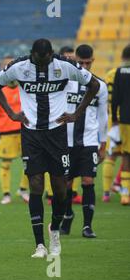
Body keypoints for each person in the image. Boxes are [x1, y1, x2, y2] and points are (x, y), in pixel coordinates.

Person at [0, 38, 100, 258]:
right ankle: (39, 244)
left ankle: (55, 231)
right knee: (36, 185)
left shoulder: (64, 65)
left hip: (57, 134)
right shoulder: (19, 67)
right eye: (38, 61)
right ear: (32, 55)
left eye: (45, 61)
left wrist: (77, 113)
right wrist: (12, 113)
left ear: (51, 55)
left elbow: (94, 85)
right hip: (31, 134)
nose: (42, 65)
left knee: (60, 189)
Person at [60, 44, 108, 238]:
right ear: (75, 61)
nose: (85, 66)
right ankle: (68, 215)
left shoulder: (100, 85)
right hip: (67, 141)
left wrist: (103, 144)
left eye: (88, 63)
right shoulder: (65, 82)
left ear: (93, 61)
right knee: (66, 184)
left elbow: (103, 116)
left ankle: (87, 226)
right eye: (81, 63)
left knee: (88, 181)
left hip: (89, 141)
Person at [0, 56, 29, 204]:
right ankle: (6, 194)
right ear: (1, 68)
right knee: (6, 163)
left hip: (25, 130)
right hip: (6, 130)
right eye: (6, 65)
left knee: (28, 162)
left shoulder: (25, 85)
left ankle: (23, 190)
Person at [103, 45, 130, 203]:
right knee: (127, 156)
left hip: (116, 118)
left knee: (112, 154)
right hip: (126, 118)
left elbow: (112, 98)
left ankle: (107, 192)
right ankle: (125, 192)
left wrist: (112, 117)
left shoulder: (113, 73)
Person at [59, 46, 82, 204]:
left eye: (71, 58)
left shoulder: (79, 82)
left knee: (72, 166)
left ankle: (71, 193)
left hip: (76, 134)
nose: (69, 61)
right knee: (56, 165)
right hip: (58, 133)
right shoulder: (56, 81)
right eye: (66, 58)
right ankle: (52, 193)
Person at [111, 44, 130, 205]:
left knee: (126, 154)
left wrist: (115, 118)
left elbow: (115, 98)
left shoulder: (119, 72)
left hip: (124, 119)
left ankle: (125, 192)